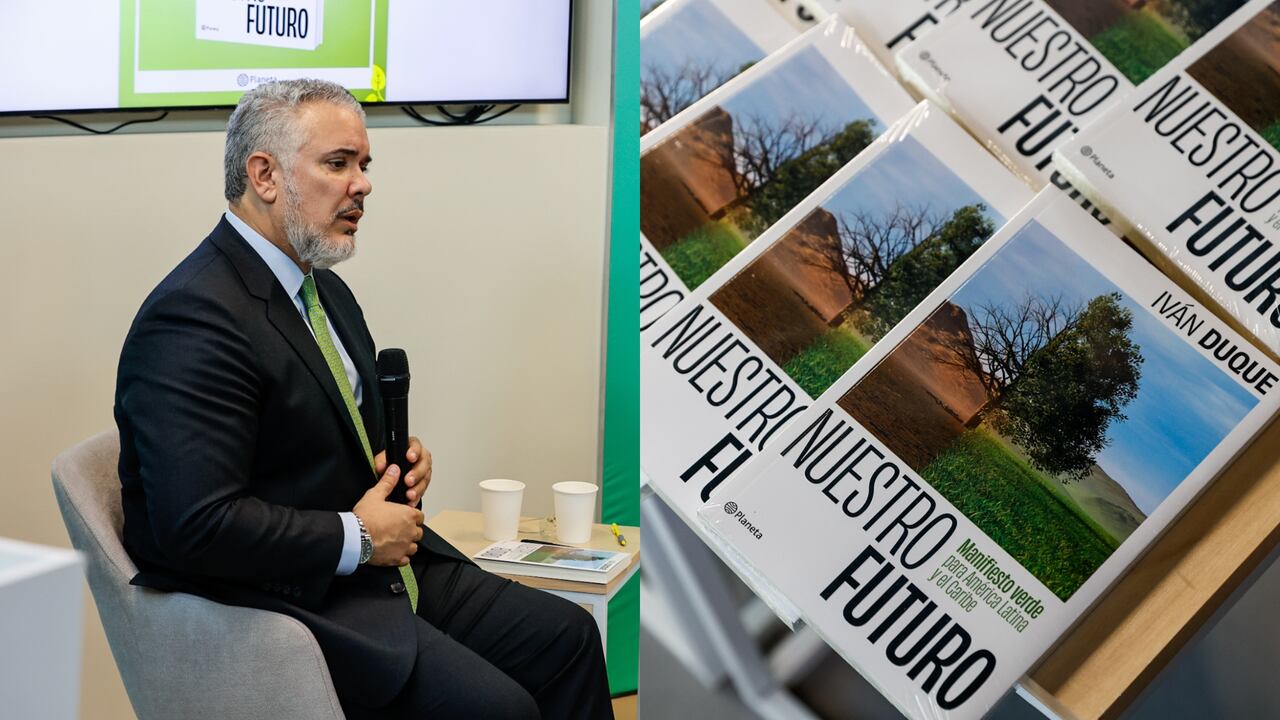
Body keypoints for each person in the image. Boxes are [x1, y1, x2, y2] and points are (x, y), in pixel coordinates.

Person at [114, 79, 614, 719]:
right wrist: (355, 535)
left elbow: (312, 442)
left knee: (569, 637)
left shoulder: (323, 291)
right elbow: (196, 524)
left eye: (364, 165)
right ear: (264, 175)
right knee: (500, 708)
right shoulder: (192, 319)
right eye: (338, 163)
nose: (363, 184)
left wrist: (396, 460)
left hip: (384, 566)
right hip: (294, 600)